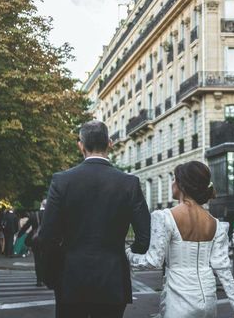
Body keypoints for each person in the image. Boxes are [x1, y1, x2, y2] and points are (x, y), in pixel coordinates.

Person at [38, 120, 151, 318]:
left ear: (80, 145)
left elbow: (47, 236)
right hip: (113, 278)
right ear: (110, 143)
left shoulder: (61, 181)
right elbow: (143, 240)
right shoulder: (129, 183)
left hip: (71, 277)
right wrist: (121, 252)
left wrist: (52, 274)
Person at [126, 161, 234, 318]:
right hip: (208, 301)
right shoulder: (215, 224)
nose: (172, 183)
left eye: (174, 178)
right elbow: (222, 267)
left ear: (182, 185)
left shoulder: (164, 217)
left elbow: (153, 261)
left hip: (179, 299)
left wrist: (128, 254)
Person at [17, 200, 46, 285]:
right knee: (45, 259)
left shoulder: (34, 215)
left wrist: (19, 235)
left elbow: (26, 226)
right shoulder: (50, 215)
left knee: (37, 260)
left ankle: (39, 280)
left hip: (36, 240)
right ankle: (44, 278)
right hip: (47, 240)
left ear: (41, 205)